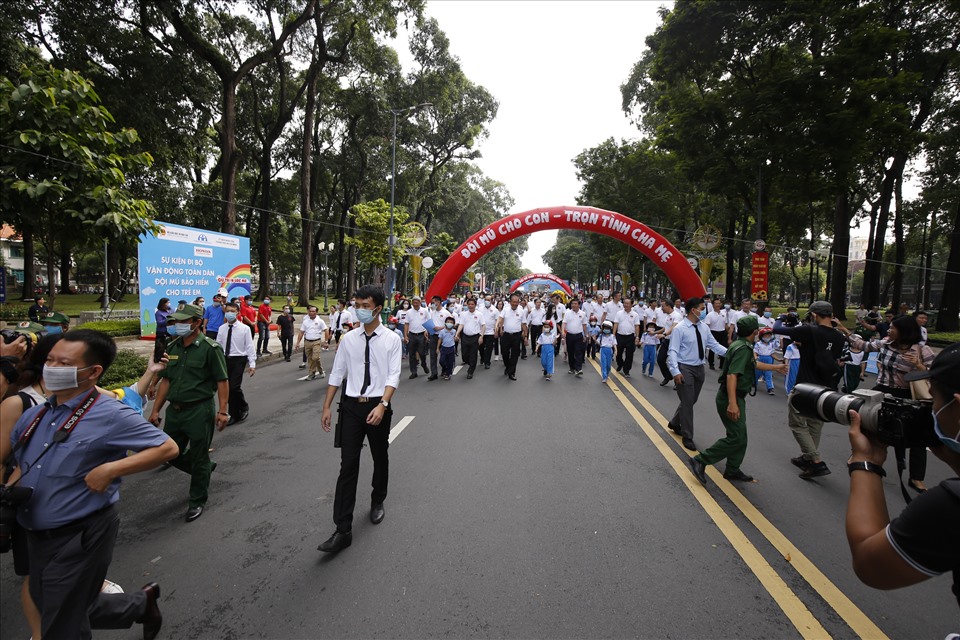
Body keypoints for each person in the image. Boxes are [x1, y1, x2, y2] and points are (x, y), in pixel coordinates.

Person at [5, 329, 177, 639]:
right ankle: (140, 605)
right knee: (50, 602)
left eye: (64, 363)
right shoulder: (32, 417)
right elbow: (21, 464)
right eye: (50, 360)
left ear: (93, 371)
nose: (52, 368)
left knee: (61, 624)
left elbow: (166, 448)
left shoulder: (109, 413)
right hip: (35, 532)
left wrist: (111, 469)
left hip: (80, 532)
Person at [845, 343, 960, 620]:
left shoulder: (951, 505)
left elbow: (871, 565)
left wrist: (866, 462)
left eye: (932, 402)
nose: (927, 411)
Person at [319, 285, 402, 553]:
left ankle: (378, 499)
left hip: (379, 405)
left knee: (380, 455)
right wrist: (327, 406)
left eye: (365, 306)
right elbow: (337, 374)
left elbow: (393, 376)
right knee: (348, 465)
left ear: (378, 308)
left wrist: (383, 404)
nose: (360, 310)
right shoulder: (348, 339)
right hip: (352, 407)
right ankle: (343, 528)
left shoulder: (392, 339)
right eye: (357, 305)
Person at [148, 303, 229, 522]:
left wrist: (223, 411)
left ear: (196, 323)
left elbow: (222, 380)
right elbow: (167, 380)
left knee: (199, 455)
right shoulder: (173, 347)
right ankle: (203, 470)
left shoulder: (210, 349)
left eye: (183, 321)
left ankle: (197, 500)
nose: (178, 325)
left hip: (199, 410)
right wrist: (155, 410)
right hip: (175, 411)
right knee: (169, 452)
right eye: (177, 321)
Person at [688, 316, 789, 484]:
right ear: (755, 332)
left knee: (740, 436)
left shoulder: (741, 345)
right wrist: (733, 403)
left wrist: (776, 367)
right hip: (730, 397)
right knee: (736, 437)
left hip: (733, 396)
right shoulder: (743, 349)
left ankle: (733, 469)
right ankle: (701, 460)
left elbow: (754, 364)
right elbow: (732, 375)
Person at [844, 314, 936, 493]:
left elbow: (935, 374)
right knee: (869, 426)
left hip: (910, 396)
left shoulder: (922, 351)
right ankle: (861, 457)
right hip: (883, 391)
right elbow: (863, 345)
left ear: (905, 332)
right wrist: (844, 330)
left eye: (893, 328)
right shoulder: (885, 343)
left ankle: (916, 478)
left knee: (917, 438)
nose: (889, 330)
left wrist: (919, 367)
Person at [774, 300, 847, 479]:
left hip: (806, 386)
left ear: (814, 315)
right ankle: (807, 458)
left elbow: (777, 329)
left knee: (797, 422)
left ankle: (815, 461)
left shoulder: (808, 330)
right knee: (815, 424)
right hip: (826, 388)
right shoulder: (839, 337)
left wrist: (781, 317)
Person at [666, 297, 728, 451]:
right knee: (687, 403)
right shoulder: (680, 328)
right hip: (685, 368)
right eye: (702, 308)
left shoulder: (703, 327)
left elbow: (714, 345)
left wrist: (733, 353)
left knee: (691, 400)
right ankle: (687, 436)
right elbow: (672, 351)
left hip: (700, 368)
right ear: (693, 310)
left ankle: (674, 422)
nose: (704, 311)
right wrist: (675, 371)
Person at [216, 303, 256, 426]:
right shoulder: (222, 328)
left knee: (233, 387)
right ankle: (236, 411)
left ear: (238, 313)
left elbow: (249, 346)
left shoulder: (245, 329)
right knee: (226, 388)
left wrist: (252, 363)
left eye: (232, 311)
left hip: (239, 359)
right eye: (227, 311)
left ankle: (239, 410)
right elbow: (218, 346)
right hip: (225, 360)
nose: (229, 313)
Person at [296, 305, 331, 381]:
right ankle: (316, 372)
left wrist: (326, 341)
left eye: (313, 311)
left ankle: (315, 372)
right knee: (310, 359)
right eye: (310, 311)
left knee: (315, 357)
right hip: (307, 342)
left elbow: (326, 330)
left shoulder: (320, 321)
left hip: (316, 342)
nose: (311, 313)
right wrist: (298, 342)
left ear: (316, 312)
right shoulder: (305, 321)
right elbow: (301, 332)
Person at [497, 294, 527, 381]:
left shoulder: (521, 311)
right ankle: (508, 366)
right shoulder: (505, 310)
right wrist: (500, 329)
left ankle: (512, 372)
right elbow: (501, 319)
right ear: (510, 302)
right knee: (504, 353)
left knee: (515, 355)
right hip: (506, 335)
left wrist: (525, 335)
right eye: (513, 302)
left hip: (516, 336)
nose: (515, 303)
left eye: (517, 302)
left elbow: (524, 324)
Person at [455, 297, 485, 379]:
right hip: (465, 337)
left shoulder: (479, 314)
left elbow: (483, 325)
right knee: (465, 355)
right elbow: (461, 324)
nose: (470, 306)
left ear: (475, 305)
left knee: (473, 354)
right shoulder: (464, 314)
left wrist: (481, 336)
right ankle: (469, 363)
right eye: (469, 304)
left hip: (475, 337)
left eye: (472, 304)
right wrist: (457, 334)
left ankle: (471, 371)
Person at [612, 297, 641, 377]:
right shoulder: (619, 313)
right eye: (624, 303)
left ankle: (626, 370)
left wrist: (637, 337)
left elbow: (637, 326)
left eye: (628, 303)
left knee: (629, 355)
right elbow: (616, 324)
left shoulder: (635, 315)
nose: (626, 305)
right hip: (620, 336)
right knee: (618, 353)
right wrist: (613, 335)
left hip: (630, 337)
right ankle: (620, 364)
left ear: (631, 305)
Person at [404, 296, 431, 379]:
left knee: (422, 352)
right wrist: (405, 336)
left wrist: (427, 330)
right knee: (411, 354)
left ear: (420, 303)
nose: (415, 304)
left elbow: (429, 321)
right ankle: (414, 371)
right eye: (414, 302)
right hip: (412, 334)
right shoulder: (409, 312)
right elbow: (406, 324)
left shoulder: (425, 311)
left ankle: (423, 364)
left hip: (421, 334)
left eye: (417, 302)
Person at [427, 295, 452, 380]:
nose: (432, 304)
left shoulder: (446, 313)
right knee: (433, 355)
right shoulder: (432, 312)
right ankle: (434, 373)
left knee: (444, 355)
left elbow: (451, 324)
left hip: (444, 336)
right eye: (432, 303)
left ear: (438, 302)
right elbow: (429, 322)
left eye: (433, 302)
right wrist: (427, 330)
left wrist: (440, 327)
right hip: (433, 335)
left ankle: (445, 369)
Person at [656, 300, 681, 386]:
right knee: (660, 359)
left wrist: (664, 334)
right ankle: (667, 376)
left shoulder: (677, 315)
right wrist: (655, 333)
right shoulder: (667, 316)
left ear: (668, 306)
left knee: (674, 362)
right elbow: (665, 328)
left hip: (674, 341)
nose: (661, 308)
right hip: (666, 341)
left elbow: (673, 327)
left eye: (663, 306)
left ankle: (677, 381)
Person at [562, 298, 588, 376]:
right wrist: (563, 331)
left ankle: (578, 368)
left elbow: (584, 325)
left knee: (578, 352)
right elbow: (564, 323)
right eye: (572, 304)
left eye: (575, 304)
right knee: (570, 352)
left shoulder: (583, 313)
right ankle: (572, 368)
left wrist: (585, 335)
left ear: (579, 305)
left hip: (579, 335)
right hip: (570, 335)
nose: (573, 305)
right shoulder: (567, 313)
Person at [754, 327, 780, 395]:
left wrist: (778, 359)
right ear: (761, 336)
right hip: (760, 359)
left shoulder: (771, 344)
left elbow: (772, 353)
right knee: (757, 373)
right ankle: (754, 383)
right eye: (766, 336)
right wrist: (756, 357)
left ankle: (770, 388)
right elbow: (755, 352)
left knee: (768, 374)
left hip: (768, 359)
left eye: (769, 336)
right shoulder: (758, 344)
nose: (767, 337)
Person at [704, 298, 728, 370]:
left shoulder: (723, 314)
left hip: (722, 332)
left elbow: (725, 324)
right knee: (712, 349)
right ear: (713, 305)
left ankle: (722, 364)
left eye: (719, 303)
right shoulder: (710, 315)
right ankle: (711, 364)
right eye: (716, 303)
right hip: (713, 332)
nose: (718, 305)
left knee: (724, 348)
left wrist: (728, 333)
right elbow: (707, 326)